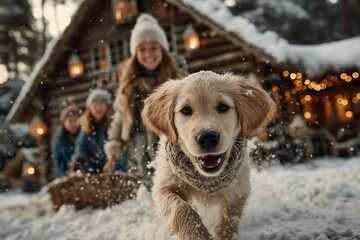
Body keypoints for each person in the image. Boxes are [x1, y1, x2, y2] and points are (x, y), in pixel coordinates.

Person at [103, 13, 180, 190]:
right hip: (140, 150)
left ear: (162, 49)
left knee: (178, 187)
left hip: (172, 142)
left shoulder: (177, 78)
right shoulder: (128, 86)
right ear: (135, 53)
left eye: (153, 47)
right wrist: (113, 151)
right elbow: (119, 118)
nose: (148, 54)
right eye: (142, 49)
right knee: (152, 190)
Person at [72, 89, 126, 174]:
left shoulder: (114, 125)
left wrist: (112, 162)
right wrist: (81, 162)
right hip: (93, 172)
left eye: (101, 104)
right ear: (89, 108)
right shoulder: (86, 128)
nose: (98, 108)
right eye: (94, 104)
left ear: (107, 107)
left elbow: (120, 148)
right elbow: (81, 148)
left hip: (115, 170)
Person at [52, 105, 80, 177]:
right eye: (70, 121)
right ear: (64, 123)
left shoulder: (84, 135)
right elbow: (58, 163)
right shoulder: (59, 141)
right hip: (68, 176)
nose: (73, 124)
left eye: (76, 120)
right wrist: (66, 175)